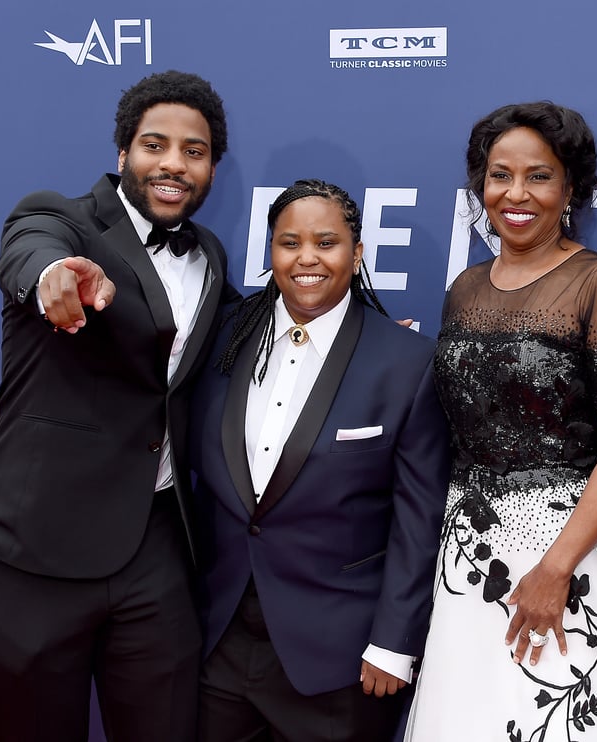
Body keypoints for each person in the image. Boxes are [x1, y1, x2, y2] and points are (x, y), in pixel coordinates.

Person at [404, 102, 597, 741]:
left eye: (539, 176)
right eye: (499, 175)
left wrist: (554, 568)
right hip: (474, 550)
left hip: (584, 547)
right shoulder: (463, 288)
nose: (515, 194)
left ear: (570, 189)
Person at [0, 70, 233, 742]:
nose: (174, 163)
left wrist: (347, 337)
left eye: (195, 151)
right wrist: (50, 278)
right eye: (155, 144)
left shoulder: (210, 256)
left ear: (211, 168)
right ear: (123, 154)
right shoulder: (60, 217)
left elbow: (242, 334)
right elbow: (29, 252)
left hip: (159, 549)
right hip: (42, 549)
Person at [189, 179, 450, 742]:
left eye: (326, 242)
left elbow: (419, 519)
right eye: (289, 243)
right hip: (221, 644)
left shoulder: (406, 362)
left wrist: (394, 643)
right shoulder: (222, 339)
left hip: (342, 660)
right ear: (270, 253)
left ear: (356, 256)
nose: (307, 258)